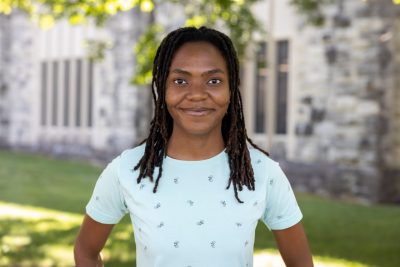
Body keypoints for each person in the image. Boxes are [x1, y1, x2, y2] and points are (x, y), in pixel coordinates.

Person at [74, 26, 313, 267]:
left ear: (231, 89)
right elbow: (86, 251)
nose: (197, 94)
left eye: (213, 80)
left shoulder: (262, 172)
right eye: (180, 81)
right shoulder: (128, 170)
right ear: (163, 88)